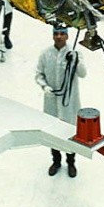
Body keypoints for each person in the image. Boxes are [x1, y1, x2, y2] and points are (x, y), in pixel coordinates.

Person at [35, 26, 87, 178]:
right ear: (52, 36)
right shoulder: (45, 54)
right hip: (51, 100)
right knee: (53, 133)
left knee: (70, 132)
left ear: (67, 36)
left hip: (69, 102)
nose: (59, 36)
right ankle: (56, 161)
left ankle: (71, 162)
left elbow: (83, 74)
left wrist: (76, 60)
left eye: (62, 34)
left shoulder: (75, 53)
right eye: (56, 34)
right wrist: (44, 86)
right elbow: (39, 74)